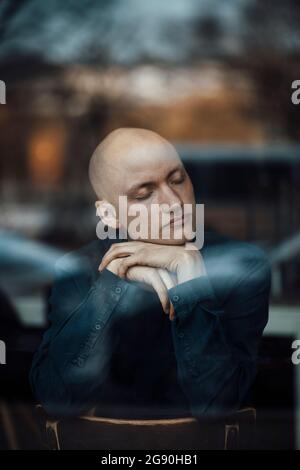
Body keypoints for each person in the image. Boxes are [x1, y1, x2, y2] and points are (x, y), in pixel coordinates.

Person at [30, 128, 271, 419]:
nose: (174, 202)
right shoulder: (80, 269)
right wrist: (110, 285)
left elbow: (216, 404)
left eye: (177, 179)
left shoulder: (241, 265)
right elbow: (57, 400)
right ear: (108, 215)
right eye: (144, 194)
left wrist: (191, 277)